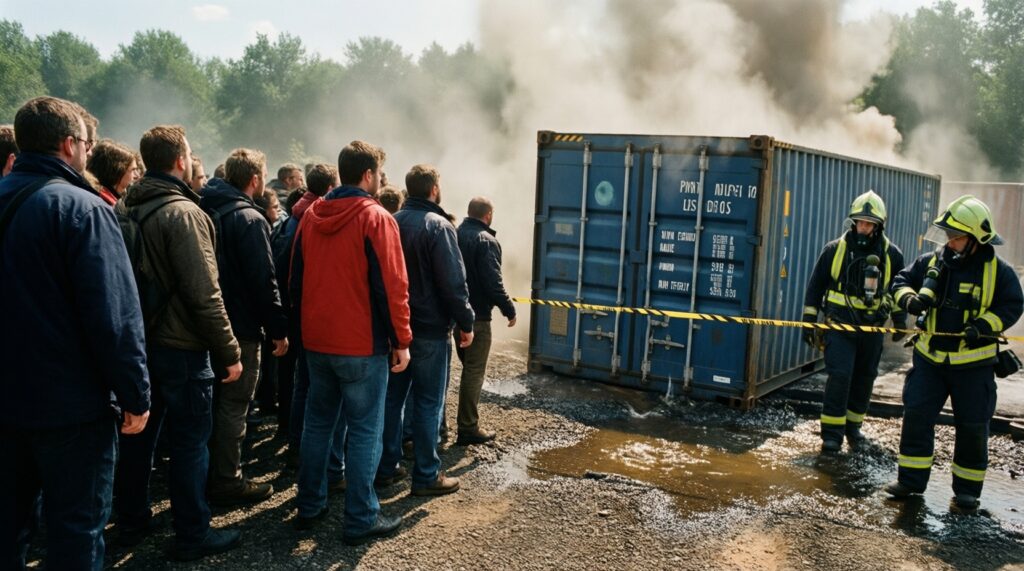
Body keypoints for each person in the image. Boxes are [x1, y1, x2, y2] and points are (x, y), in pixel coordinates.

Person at [0, 96, 150, 571]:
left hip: (5, 401)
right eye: (86, 143)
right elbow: (114, 315)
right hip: (70, 407)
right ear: (69, 145)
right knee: (76, 531)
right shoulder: (83, 209)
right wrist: (136, 393)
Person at [113, 125, 243, 561]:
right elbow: (205, 294)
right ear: (179, 160)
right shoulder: (183, 213)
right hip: (183, 350)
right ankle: (192, 532)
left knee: (140, 440)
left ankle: (131, 520)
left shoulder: (125, 207)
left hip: (141, 344)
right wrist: (229, 352)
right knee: (190, 444)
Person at [290, 141, 411, 545]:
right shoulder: (376, 218)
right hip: (361, 346)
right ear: (367, 175)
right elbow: (393, 287)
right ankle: (360, 518)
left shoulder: (310, 216)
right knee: (364, 430)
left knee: (317, 424)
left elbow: (296, 279)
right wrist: (402, 340)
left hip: (317, 342)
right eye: (379, 173)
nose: (381, 180)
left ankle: (310, 505)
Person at [886, 195, 1023, 513]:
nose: (950, 242)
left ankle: (966, 493)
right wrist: (909, 299)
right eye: (948, 235)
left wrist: (984, 326)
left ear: (976, 239)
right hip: (929, 361)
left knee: (973, 427)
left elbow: (1012, 305)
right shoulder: (931, 262)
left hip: (974, 367)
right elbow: (901, 280)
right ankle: (910, 482)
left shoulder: (998, 272)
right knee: (917, 418)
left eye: (956, 236)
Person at [377, 164, 475, 496]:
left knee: (392, 399)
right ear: (434, 189)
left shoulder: (390, 220)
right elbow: (453, 283)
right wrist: (466, 323)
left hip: (396, 330)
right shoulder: (439, 227)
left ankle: (386, 466)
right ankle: (426, 475)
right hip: (431, 331)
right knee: (429, 401)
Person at [199, 148, 289, 505]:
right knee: (235, 406)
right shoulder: (250, 220)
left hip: (208, 323)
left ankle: (209, 473)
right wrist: (278, 328)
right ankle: (227, 480)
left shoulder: (205, 206)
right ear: (255, 180)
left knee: (214, 404)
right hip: (242, 328)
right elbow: (263, 281)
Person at [802, 190, 906, 453]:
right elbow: (815, 287)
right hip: (840, 326)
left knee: (865, 377)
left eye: (868, 224)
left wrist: (899, 320)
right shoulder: (834, 250)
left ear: (878, 226)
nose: (862, 228)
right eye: (859, 222)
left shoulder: (892, 255)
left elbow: (896, 290)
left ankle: (853, 428)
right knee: (840, 376)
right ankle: (832, 435)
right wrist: (809, 321)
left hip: (872, 330)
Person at [454, 197, 517, 445]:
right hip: (479, 319)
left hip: (457, 317)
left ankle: (452, 424)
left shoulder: (453, 234)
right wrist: (509, 308)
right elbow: (494, 282)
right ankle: (468, 427)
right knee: (473, 372)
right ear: (488, 215)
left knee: (466, 367)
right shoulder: (487, 241)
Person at [87, 139, 139, 205]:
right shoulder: (103, 204)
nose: (137, 175)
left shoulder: (98, 197)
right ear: (118, 170)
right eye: (133, 170)